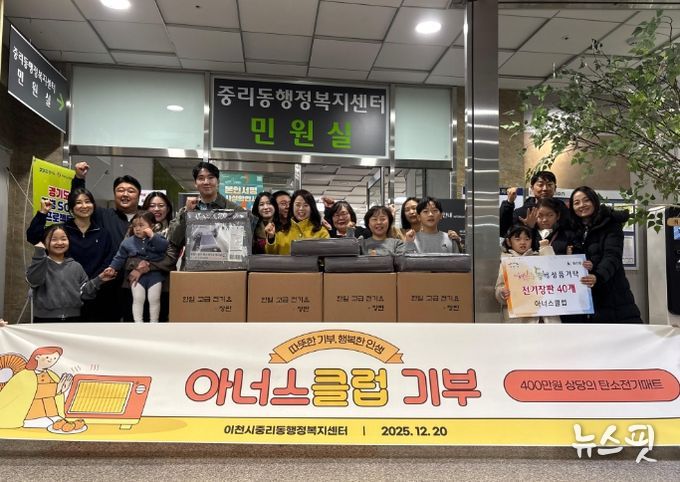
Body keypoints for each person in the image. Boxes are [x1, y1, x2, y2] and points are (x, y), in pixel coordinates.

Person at [26, 189, 114, 322]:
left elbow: (107, 259)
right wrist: (43, 213)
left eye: (88, 201)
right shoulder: (62, 230)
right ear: (71, 208)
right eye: (78, 202)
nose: (84, 206)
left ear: (94, 205)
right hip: (57, 302)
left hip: (93, 292)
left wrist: (95, 281)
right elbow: (33, 237)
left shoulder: (103, 233)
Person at [71, 162, 143, 321]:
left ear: (138, 195)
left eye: (131, 191)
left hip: (139, 284)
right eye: (120, 190)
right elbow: (79, 199)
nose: (125, 194)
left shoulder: (146, 219)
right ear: (114, 194)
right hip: (107, 286)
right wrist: (79, 178)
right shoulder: (102, 215)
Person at [566, 186, 642, 323]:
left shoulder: (610, 224)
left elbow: (612, 256)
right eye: (576, 203)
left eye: (586, 200)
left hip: (611, 291)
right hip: (584, 295)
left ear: (594, 201)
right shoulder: (573, 228)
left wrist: (598, 276)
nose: (582, 205)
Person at [168, 162, 244, 268]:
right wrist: (187, 214)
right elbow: (174, 240)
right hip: (193, 270)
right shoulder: (187, 210)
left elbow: (241, 244)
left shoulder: (234, 210)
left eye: (211, 177)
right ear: (195, 183)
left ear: (218, 181)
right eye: (201, 178)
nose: (206, 182)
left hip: (224, 270)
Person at [104, 211, 170, 323]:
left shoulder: (158, 238)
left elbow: (164, 247)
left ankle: (154, 322)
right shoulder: (128, 242)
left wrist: (152, 236)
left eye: (141, 225)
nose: (137, 229)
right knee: (138, 299)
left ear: (152, 226)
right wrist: (112, 267)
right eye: (134, 226)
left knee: (154, 299)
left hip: (155, 276)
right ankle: (138, 322)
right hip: (136, 277)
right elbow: (120, 257)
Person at [494, 224, 560, 324]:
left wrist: (546, 248)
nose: (523, 242)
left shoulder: (538, 257)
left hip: (544, 316)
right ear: (508, 242)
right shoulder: (506, 261)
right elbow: (499, 287)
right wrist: (502, 293)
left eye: (527, 239)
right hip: (519, 318)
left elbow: (554, 271)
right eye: (517, 239)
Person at [0, 346, 73, 429]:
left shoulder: (52, 375)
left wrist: (61, 390)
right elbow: (30, 392)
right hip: (32, 416)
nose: (51, 360)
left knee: (62, 425)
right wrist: (56, 389)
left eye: (55, 358)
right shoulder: (24, 375)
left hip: (53, 413)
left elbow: (57, 395)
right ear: (37, 357)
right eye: (47, 357)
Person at [500, 171, 570, 235]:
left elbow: (570, 230)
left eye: (549, 185)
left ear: (555, 188)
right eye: (540, 185)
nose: (545, 188)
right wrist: (509, 203)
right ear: (532, 188)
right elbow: (504, 231)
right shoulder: (523, 212)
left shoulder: (562, 208)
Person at [264, 189, 329, 255]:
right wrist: (271, 238)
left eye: (306, 205)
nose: (301, 208)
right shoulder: (281, 231)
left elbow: (325, 257)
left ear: (312, 208)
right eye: (297, 205)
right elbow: (271, 254)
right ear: (292, 206)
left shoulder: (321, 232)